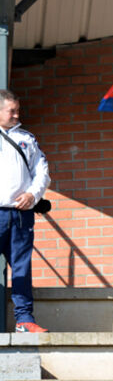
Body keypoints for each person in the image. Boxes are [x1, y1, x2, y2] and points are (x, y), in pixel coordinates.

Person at [0, 89, 50, 333]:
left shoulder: (27, 139)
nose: (17, 114)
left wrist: (32, 194)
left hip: (21, 214)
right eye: (12, 110)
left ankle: (24, 320)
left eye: (17, 110)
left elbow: (42, 173)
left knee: (22, 267)